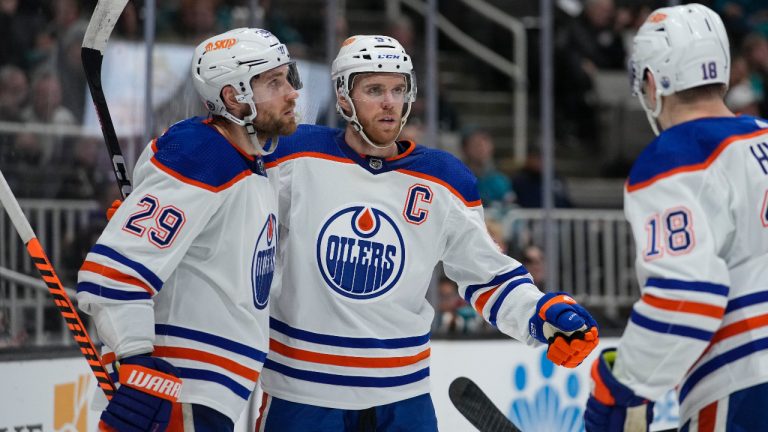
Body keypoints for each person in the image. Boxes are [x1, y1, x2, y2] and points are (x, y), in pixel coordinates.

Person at [257, 35, 599, 431]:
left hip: (402, 395)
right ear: (343, 97)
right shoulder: (291, 154)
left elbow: (486, 275)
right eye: (374, 89)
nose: (389, 102)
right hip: (301, 391)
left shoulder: (444, 178)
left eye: (398, 89)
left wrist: (541, 317)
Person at [76, 28, 301, 431]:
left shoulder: (250, 161)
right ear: (234, 97)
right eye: (274, 82)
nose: (291, 92)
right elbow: (112, 274)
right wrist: (139, 364)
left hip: (205, 395)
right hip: (177, 393)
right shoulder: (204, 154)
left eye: (287, 77)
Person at [585, 5, 768, 431]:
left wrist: (622, 387)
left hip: (744, 383)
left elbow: (687, 297)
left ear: (651, 82)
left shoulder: (674, 157)